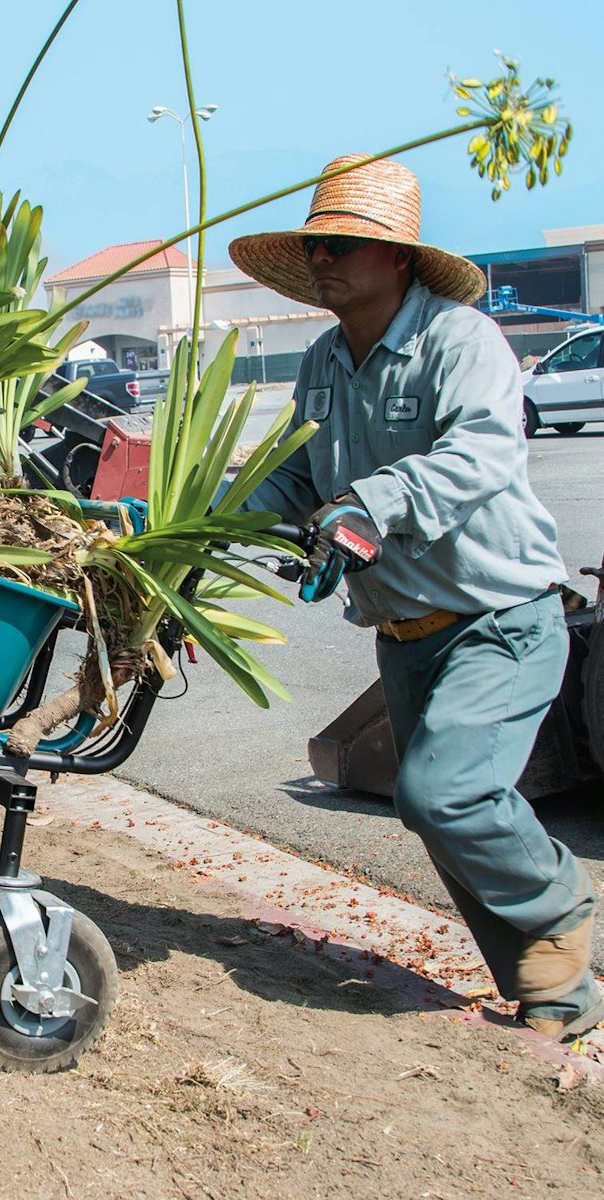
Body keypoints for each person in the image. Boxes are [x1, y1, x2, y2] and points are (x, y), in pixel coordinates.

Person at [227, 154, 602, 1044]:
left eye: (346, 246)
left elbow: (480, 455)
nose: (325, 261)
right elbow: (291, 473)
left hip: (498, 621)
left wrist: (368, 510)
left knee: (444, 796)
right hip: (405, 635)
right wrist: (189, 520)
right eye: (316, 246)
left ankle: (559, 902)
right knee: (438, 817)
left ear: (399, 258)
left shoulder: (460, 341)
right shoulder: (323, 360)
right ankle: (551, 1000)